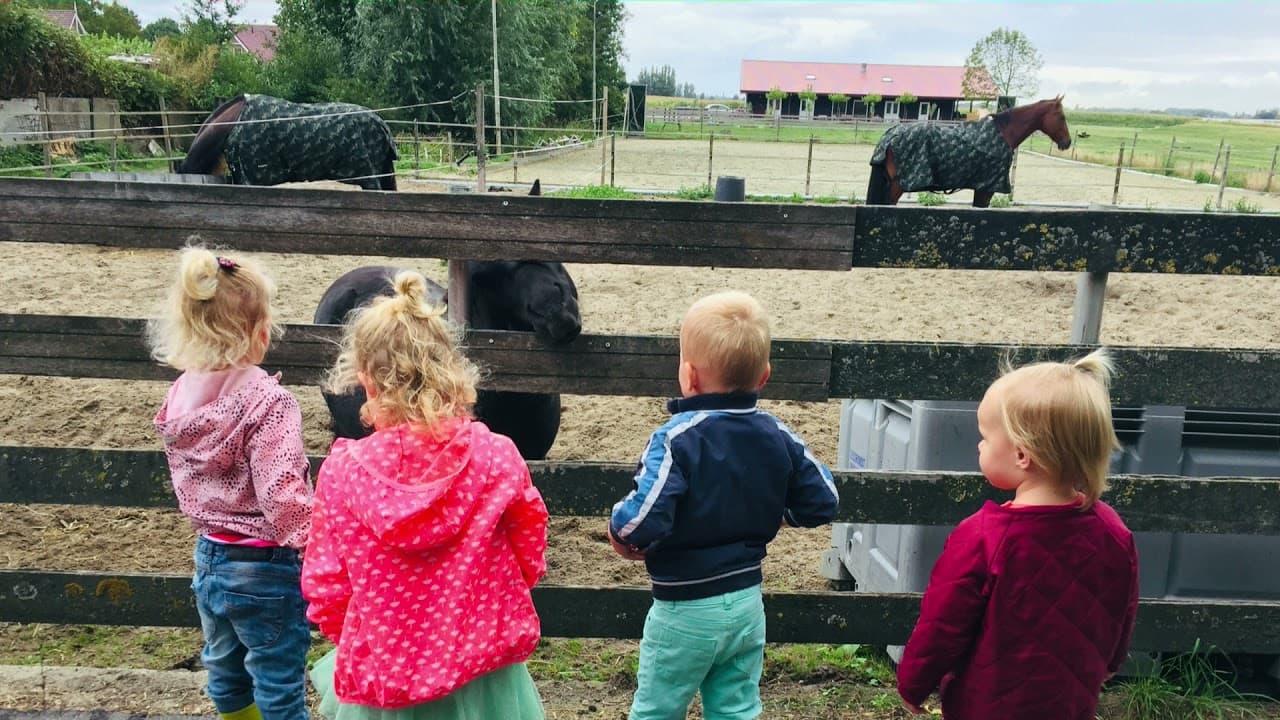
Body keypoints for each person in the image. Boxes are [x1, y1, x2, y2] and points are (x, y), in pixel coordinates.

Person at [303, 270, 548, 720]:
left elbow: (326, 581)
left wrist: (356, 635)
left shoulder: (342, 473)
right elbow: (529, 544)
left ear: (366, 382)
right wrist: (496, 600)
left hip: (386, 674)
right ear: (450, 371)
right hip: (483, 668)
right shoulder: (496, 456)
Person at [608, 290, 840, 720]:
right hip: (747, 603)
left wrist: (619, 531)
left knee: (657, 709)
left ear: (689, 376)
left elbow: (641, 519)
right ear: (764, 376)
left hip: (685, 609)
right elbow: (823, 499)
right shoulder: (777, 433)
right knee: (736, 708)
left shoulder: (677, 438)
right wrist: (777, 512)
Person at [896, 349, 1140, 720]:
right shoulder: (1113, 531)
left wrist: (913, 683)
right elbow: (1121, 607)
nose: (979, 445)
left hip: (986, 705)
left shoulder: (983, 538)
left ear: (1022, 455)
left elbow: (942, 625)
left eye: (986, 437)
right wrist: (1111, 660)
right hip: (1070, 703)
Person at [149, 246, 313, 720]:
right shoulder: (268, 402)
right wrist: (314, 541)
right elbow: (282, 496)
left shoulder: (180, 395)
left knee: (224, 669)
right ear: (259, 334)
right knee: (279, 680)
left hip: (210, 557)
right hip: (265, 565)